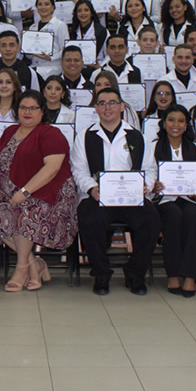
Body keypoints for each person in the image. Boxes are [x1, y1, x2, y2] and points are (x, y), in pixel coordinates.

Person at [70, 88, 161, 295]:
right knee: (88, 218)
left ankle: (135, 273)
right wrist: (91, 189)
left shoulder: (137, 136)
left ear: (121, 107)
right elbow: (78, 170)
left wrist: (145, 185)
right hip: (98, 197)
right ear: (96, 109)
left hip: (131, 198)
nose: (107, 107)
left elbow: (149, 168)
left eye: (112, 103)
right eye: (102, 103)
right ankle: (101, 273)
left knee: (151, 219)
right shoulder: (85, 136)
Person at [0, 90, 77, 291]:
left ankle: (21, 269)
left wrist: (25, 192)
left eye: (33, 108)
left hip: (49, 194)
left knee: (25, 214)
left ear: (42, 111)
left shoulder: (50, 133)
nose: (27, 112)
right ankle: (34, 264)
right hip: (11, 196)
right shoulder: (9, 132)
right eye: (23, 107)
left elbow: (52, 168)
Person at [143, 105, 196, 297]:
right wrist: (153, 186)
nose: (176, 125)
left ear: (187, 125)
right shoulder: (152, 147)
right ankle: (173, 273)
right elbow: (148, 175)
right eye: (171, 120)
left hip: (190, 200)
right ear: (163, 123)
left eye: (181, 121)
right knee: (173, 214)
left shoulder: (195, 149)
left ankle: (189, 275)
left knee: (194, 214)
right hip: (162, 200)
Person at [25, 0, 69, 79]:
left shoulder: (60, 25)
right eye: (40, 4)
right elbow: (28, 55)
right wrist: (25, 45)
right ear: (36, 8)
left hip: (52, 66)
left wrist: (51, 57)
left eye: (47, 4)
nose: (43, 7)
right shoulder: (32, 27)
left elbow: (65, 50)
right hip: (34, 66)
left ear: (53, 7)